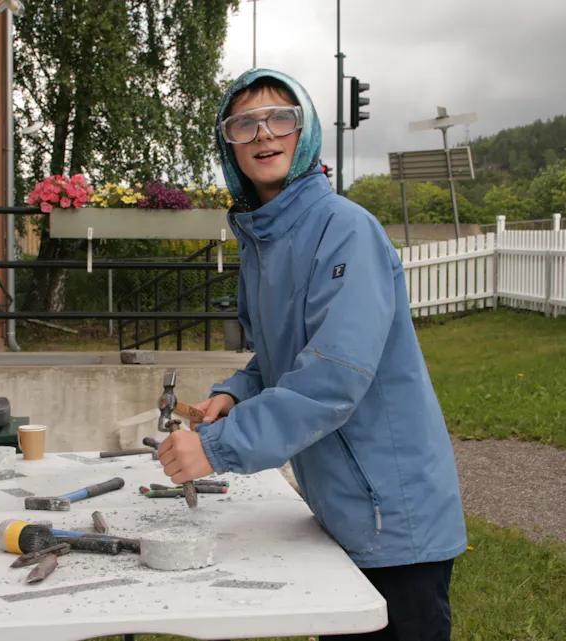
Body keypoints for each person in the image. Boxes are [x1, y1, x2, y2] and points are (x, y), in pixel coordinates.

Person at [155, 68, 468, 641]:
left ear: (307, 133)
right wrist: (234, 391)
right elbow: (282, 356)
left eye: (281, 117)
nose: (263, 134)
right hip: (341, 508)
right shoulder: (263, 242)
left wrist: (215, 448)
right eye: (243, 123)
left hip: (393, 515)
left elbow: (331, 378)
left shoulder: (346, 229)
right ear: (228, 146)